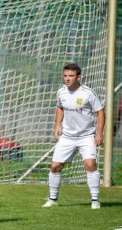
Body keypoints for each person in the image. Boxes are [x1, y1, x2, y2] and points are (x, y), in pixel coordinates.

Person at [42, 63, 104, 210]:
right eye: (65, 76)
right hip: (67, 136)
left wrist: (99, 133)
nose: (67, 79)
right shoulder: (61, 92)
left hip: (86, 136)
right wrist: (58, 125)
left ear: (78, 77)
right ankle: (52, 199)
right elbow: (59, 108)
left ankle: (95, 200)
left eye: (71, 76)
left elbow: (100, 112)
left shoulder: (88, 93)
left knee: (90, 164)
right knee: (55, 166)